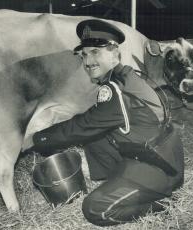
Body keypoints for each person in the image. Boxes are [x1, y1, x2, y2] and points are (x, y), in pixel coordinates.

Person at [32, 19, 184, 226]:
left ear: (114, 54)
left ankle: (162, 204)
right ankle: (116, 182)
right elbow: (92, 122)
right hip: (159, 156)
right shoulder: (126, 77)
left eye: (96, 52)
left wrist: (39, 138)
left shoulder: (116, 89)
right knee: (94, 137)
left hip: (156, 169)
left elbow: (84, 125)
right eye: (84, 55)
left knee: (94, 209)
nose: (87, 61)